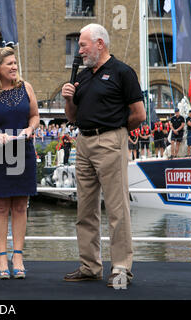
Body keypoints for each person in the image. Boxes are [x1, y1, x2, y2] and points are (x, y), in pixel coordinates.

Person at [61, 23, 146, 287]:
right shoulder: (83, 76)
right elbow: (73, 117)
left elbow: (139, 114)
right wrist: (67, 99)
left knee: (117, 208)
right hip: (83, 141)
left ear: (100, 43)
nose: (80, 50)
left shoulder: (123, 72)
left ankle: (121, 268)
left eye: (83, 44)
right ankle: (90, 265)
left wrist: (116, 132)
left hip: (110, 139)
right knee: (85, 208)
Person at [0, 47, 39, 280]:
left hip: (23, 151)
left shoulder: (26, 88)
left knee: (21, 205)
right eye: (9, 64)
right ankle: (1, 256)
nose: (14, 67)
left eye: (15, 63)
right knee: (0, 206)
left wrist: (31, 128)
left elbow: (34, 115)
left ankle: (18, 256)